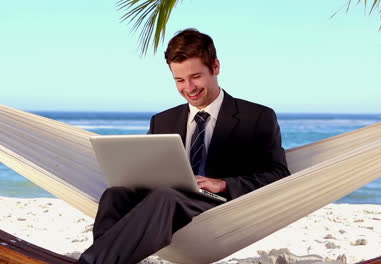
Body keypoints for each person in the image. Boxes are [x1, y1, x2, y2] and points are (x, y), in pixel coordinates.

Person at [77, 28, 290, 264]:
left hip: (219, 207)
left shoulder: (257, 116)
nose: (188, 87)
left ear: (215, 67)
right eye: (179, 80)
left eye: (196, 76)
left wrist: (223, 184)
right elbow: (150, 169)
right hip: (165, 201)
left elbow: (279, 175)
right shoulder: (162, 120)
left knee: (166, 196)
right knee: (115, 195)